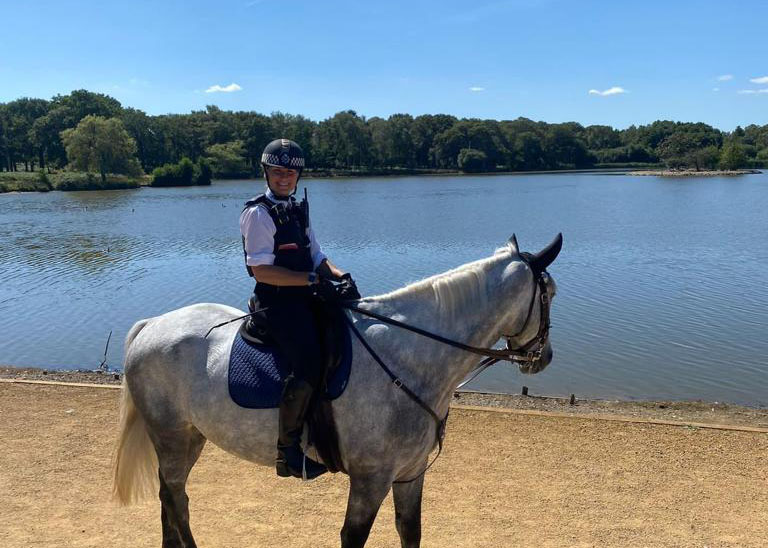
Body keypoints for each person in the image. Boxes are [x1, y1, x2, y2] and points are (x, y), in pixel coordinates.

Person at [239, 138, 353, 480]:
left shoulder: (298, 207)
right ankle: (287, 452)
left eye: (290, 172)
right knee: (308, 363)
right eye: (278, 171)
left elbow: (317, 255)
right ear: (267, 173)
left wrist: (339, 274)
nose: (284, 178)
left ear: (298, 175)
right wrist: (309, 280)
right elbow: (261, 270)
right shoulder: (258, 214)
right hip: (275, 303)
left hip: (305, 294)